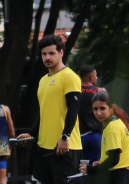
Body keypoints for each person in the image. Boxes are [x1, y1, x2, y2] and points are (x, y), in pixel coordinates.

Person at [18, 35, 82, 184]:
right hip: (44, 147)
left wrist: (65, 137)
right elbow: (44, 113)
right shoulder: (43, 80)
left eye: (51, 53)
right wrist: (31, 133)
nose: (47, 57)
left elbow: (73, 110)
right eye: (44, 54)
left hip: (65, 147)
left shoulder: (69, 77)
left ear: (61, 53)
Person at [80, 91, 129, 184]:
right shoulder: (117, 123)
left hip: (118, 176)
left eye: (102, 108)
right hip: (121, 174)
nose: (98, 113)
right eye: (95, 109)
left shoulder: (112, 128)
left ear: (111, 108)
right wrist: (102, 163)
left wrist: (90, 169)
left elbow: (114, 160)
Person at [78, 65, 103, 164]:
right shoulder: (100, 92)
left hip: (78, 137)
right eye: (96, 75)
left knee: (79, 169)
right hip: (95, 136)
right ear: (91, 77)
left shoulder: (74, 92)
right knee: (94, 168)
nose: (96, 78)